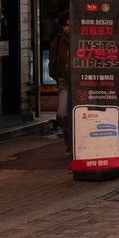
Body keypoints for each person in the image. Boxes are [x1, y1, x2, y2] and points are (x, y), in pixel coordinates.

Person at [48, 11, 72, 146]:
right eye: (65, 25)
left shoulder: (80, 40)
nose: (68, 28)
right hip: (64, 82)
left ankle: (73, 142)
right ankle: (69, 139)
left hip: (80, 82)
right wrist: (58, 77)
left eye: (70, 25)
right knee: (62, 114)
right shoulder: (57, 41)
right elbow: (52, 64)